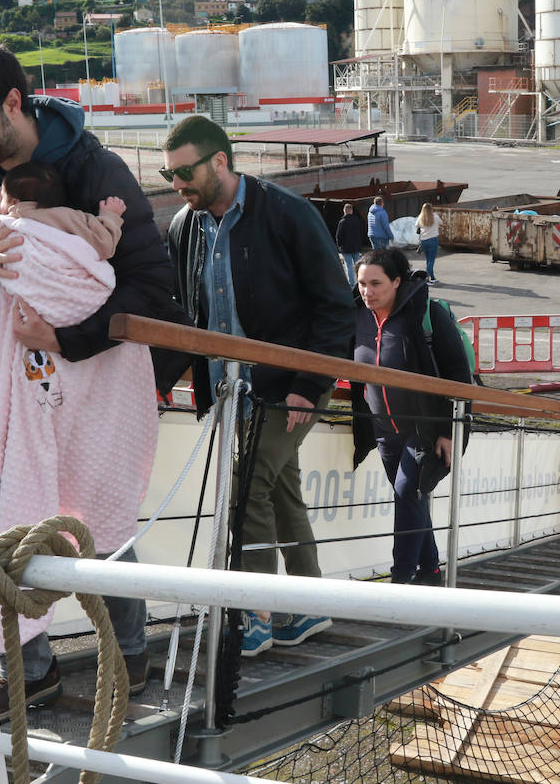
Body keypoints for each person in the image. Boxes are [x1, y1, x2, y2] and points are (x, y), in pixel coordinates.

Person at [0, 35, 180, 711]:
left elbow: (152, 287)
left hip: (91, 378)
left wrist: (65, 337)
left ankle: (126, 655)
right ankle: (30, 669)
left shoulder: (98, 172)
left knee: (96, 520)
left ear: (13, 103)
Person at [163, 115, 354, 658]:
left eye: (184, 172)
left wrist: (308, 383)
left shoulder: (287, 213)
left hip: (289, 385)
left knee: (249, 490)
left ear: (220, 161)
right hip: (231, 390)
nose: (176, 185)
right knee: (279, 490)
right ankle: (308, 604)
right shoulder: (185, 226)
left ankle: (256, 615)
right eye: (169, 173)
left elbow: (335, 307)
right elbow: (184, 313)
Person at [0, 161, 156, 667]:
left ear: (8, 200)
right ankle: (131, 656)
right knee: (109, 530)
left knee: (21, 528)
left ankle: (30, 668)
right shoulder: (80, 228)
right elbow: (109, 250)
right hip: (99, 395)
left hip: (38, 386)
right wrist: (109, 219)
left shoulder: (9, 233)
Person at [351, 248, 470, 584]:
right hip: (383, 429)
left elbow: (458, 373)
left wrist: (448, 430)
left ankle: (400, 579)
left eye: (376, 283)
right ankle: (431, 571)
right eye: (362, 283)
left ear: (397, 281)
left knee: (407, 493)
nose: (367, 291)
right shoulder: (357, 315)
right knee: (413, 501)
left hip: (426, 427)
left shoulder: (424, 313)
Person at [0, 160, 125, 259]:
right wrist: (110, 216)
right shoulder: (70, 217)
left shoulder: (7, 224)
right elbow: (103, 245)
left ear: (14, 202)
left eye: (2, 196)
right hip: (69, 286)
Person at [334, 201, 367, 284]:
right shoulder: (357, 220)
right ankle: (361, 281)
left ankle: (352, 283)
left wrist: (339, 246)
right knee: (358, 265)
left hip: (346, 248)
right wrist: (360, 243)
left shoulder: (342, 222)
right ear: (351, 211)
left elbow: (338, 236)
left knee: (348, 266)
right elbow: (361, 232)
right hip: (356, 246)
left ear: (344, 211)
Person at [416, 202, 440, 285]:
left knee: (428, 260)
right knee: (431, 260)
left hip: (424, 241)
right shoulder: (435, 217)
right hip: (433, 240)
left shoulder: (420, 217)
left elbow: (417, 226)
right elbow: (441, 222)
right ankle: (428, 279)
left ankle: (432, 277)